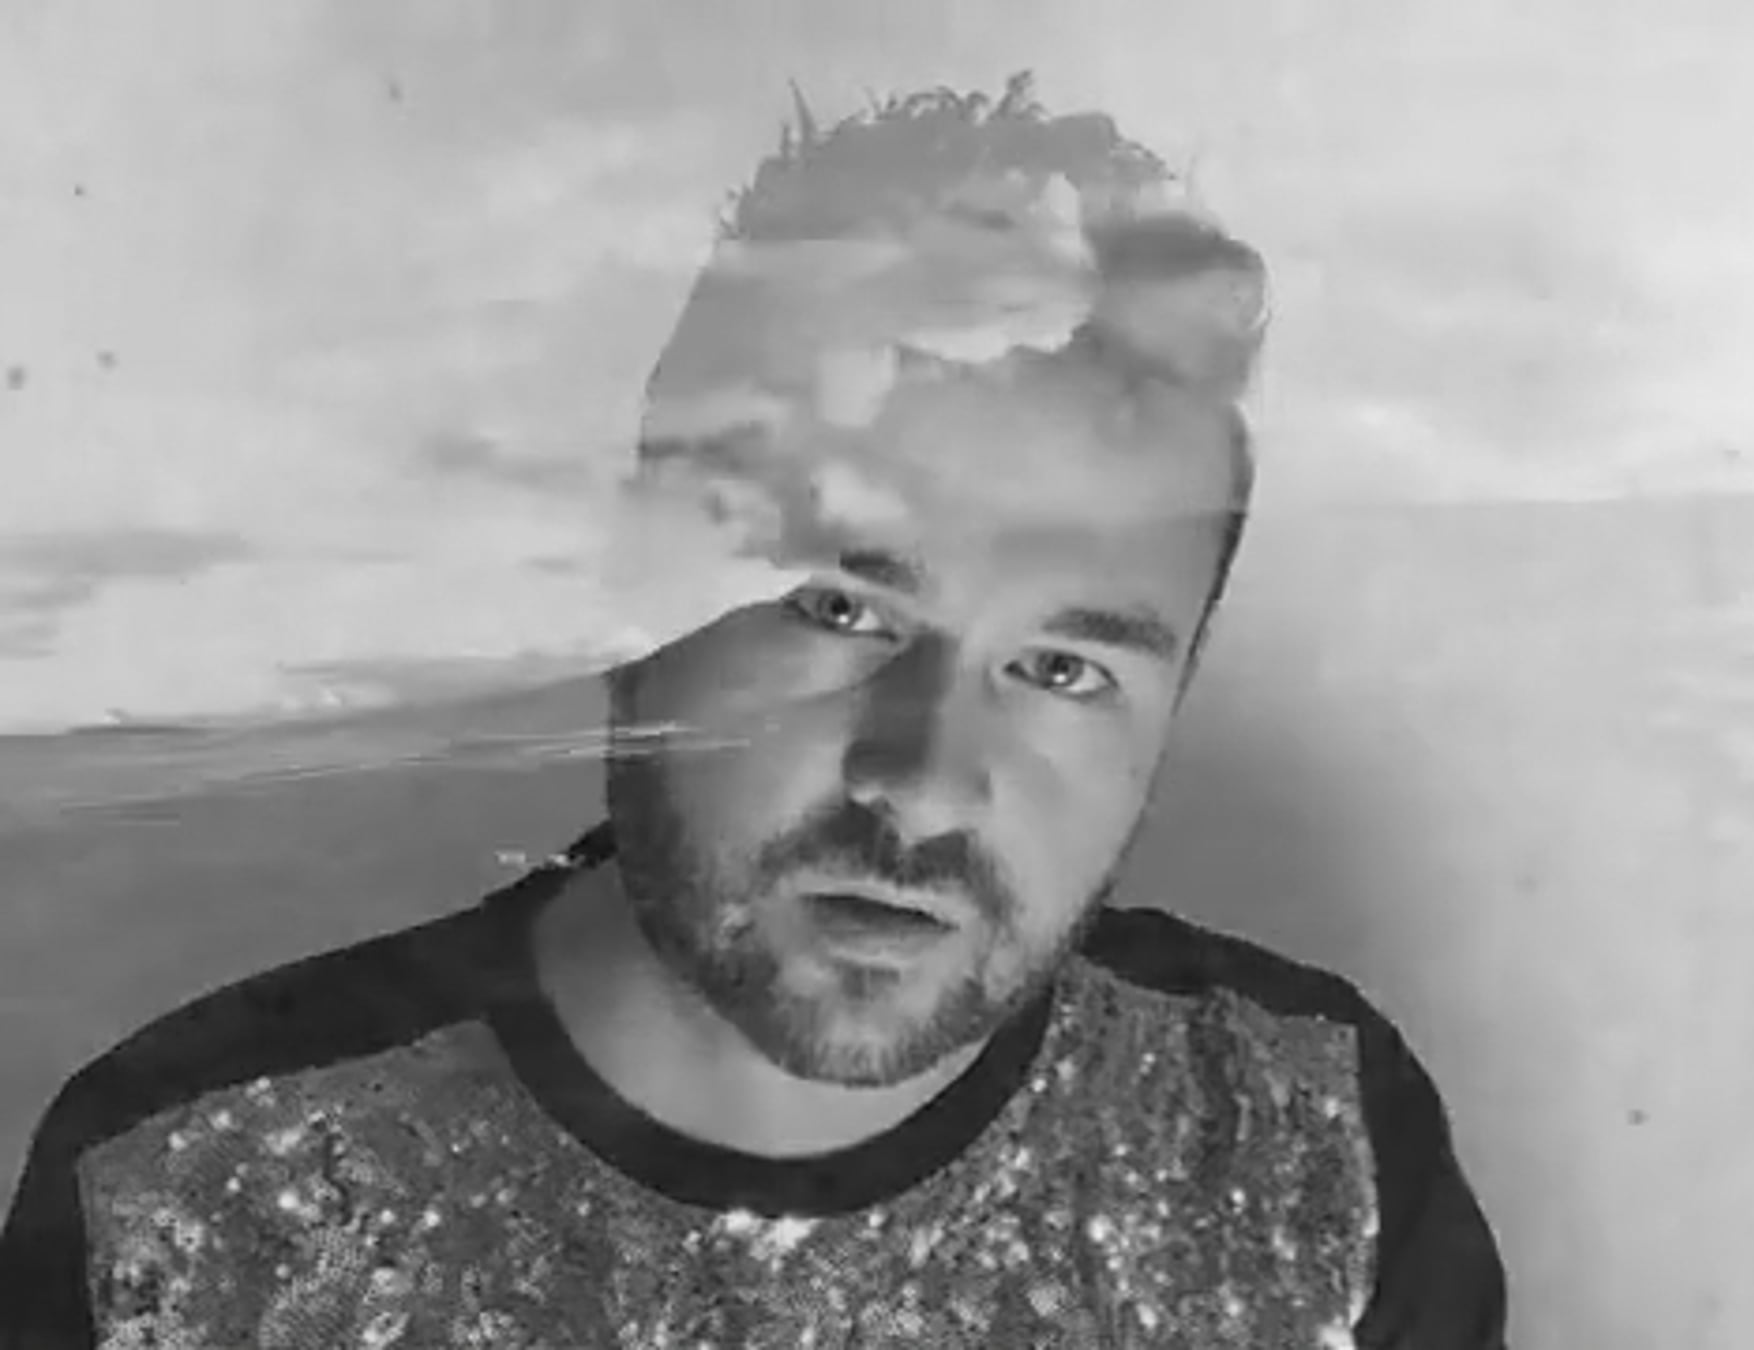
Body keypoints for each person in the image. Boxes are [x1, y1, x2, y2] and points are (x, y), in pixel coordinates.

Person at [0, 75, 1508, 1348]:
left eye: (1063, 669)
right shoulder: (179, 1197)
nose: (925, 784)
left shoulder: (1322, 1157)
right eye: (841, 609)